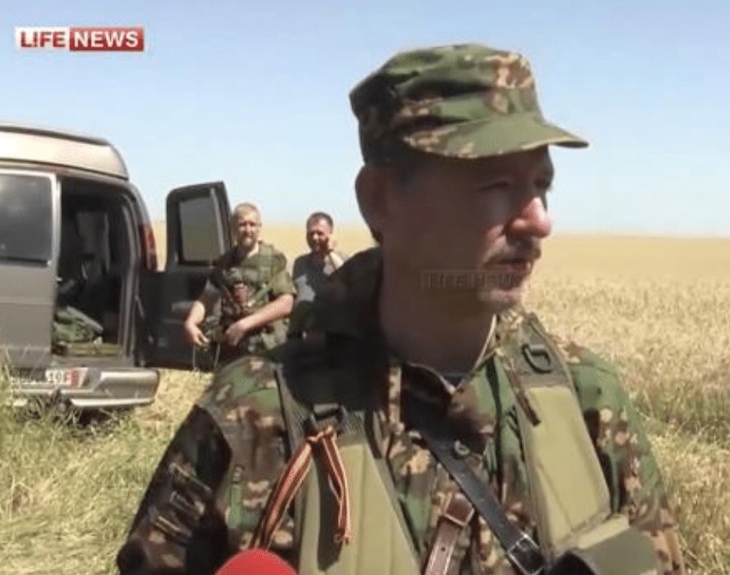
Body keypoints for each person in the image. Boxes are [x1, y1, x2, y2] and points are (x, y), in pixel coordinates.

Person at [116, 43, 684, 575]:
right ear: (381, 200)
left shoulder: (586, 398)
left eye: (541, 185)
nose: (539, 221)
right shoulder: (254, 419)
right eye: (496, 185)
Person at [182, 202, 295, 368]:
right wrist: (190, 323)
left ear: (259, 227)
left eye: (252, 224)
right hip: (233, 347)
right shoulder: (225, 262)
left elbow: (286, 303)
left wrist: (245, 324)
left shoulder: (273, 260)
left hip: (267, 346)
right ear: (233, 227)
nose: (247, 230)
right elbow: (206, 297)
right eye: (242, 224)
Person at [292, 211, 348, 304]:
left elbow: (347, 280)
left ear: (330, 234)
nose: (314, 237)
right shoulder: (300, 263)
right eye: (311, 233)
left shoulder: (341, 260)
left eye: (320, 233)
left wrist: (330, 252)